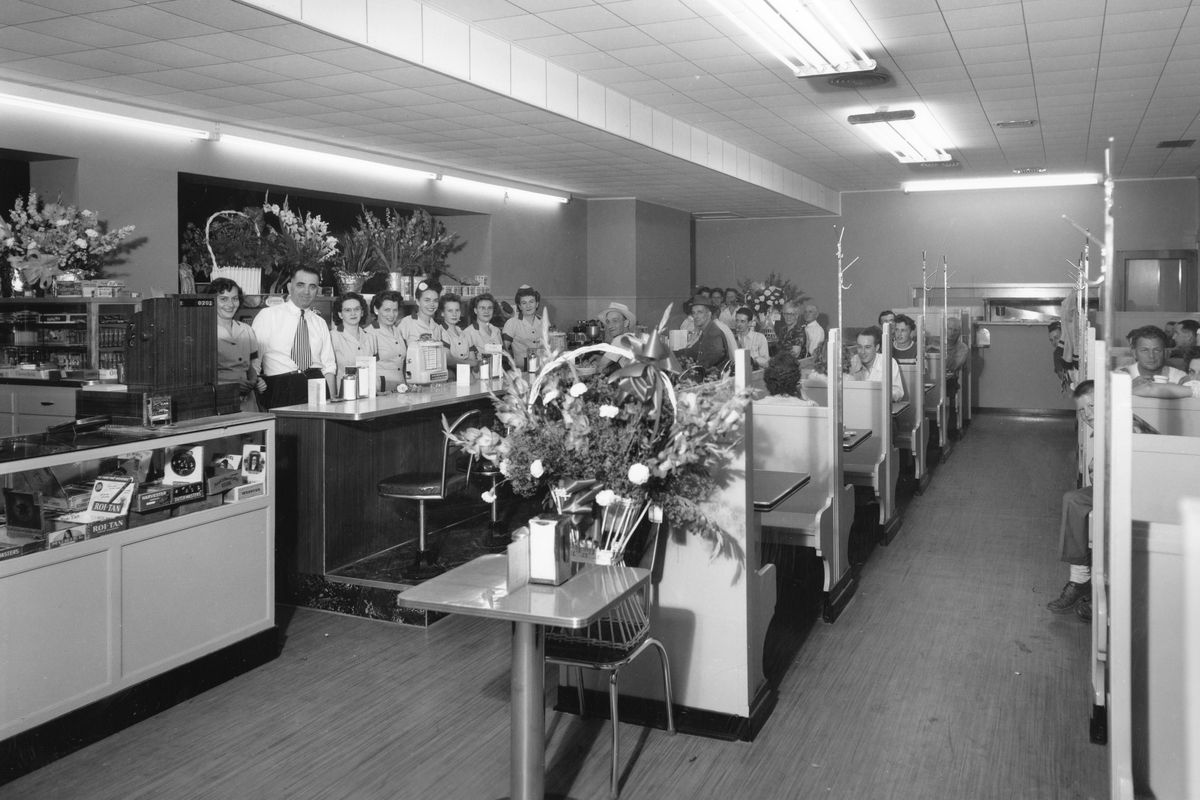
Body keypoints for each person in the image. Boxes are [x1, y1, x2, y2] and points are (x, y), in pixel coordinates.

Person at [1049, 380, 1157, 619]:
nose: (1087, 415)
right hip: (1119, 489)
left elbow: (1143, 476)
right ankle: (1080, 580)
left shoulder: (1129, 428)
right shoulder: (1107, 426)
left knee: (1103, 522)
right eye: (1082, 410)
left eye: (1093, 406)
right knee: (1074, 500)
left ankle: (1105, 595)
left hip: (1145, 494)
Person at [251, 265, 336, 409]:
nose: (306, 292)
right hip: (281, 387)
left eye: (312, 286)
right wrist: (256, 381)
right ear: (290, 287)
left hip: (317, 384)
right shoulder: (268, 316)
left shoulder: (320, 322)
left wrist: (333, 402)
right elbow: (254, 361)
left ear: (317, 291)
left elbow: (328, 366)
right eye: (301, 285)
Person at [211, 277, 260, 413]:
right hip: (220, 402)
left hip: (248, 402)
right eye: (223, 299)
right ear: (212, 301)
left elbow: (252, 365)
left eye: (235, 298)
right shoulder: (205, 332)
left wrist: (253, 381)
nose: (230, 304)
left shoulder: (247, 330)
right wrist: (232, 386)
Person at [330, 292, 378, 387]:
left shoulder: (371, 337)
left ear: (362, 312)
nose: (353, 313)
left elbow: (374, 369)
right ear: (340, 314)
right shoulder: (332, 337)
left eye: (357, 309)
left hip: (368, 391)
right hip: (343, 392)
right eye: (347, 310)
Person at [674, 293, 728, 372]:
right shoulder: (705, 332)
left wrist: (697, 367)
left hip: (713, 379)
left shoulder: (713, 333)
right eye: (694, 313)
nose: (696, 316)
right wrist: (670, 354)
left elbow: (716, 355)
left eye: (700, 312)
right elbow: (692, 351)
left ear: (709, 314)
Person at [1119, 325, 1186, 387]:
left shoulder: (1179, 378)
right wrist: (1128, 387)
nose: (1151, 356)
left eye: (1157, 350)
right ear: (1134, 353)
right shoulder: (1121, 376)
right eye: (1144, 350)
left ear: (1166, 353)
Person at [848, 325, 904, 400]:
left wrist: (877, 394)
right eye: (859, 347)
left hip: (880, 407)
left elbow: (898, 392)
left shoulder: (888, 362)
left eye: (867, 347)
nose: (862, 352)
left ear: (877, 347)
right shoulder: (853, 361)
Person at [368, 290, 406, 390]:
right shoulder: (369, 334)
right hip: (380, 392)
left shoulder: (398, 331)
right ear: (376, 310)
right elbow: (364, 371)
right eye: (387, 310)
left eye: (395, 310)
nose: (392, 315)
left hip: (402, 389)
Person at [503, 285, 544, 367]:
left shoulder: (543, 321)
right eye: (524, 303)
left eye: (531, 302)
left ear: (537, 304)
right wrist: (511, 365)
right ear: (519, 306)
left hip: (542, 367)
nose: (528, 306)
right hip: (522, 370)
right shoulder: (512, 323)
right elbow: (503, 348)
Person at [464, 292, 504, 369]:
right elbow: (469, 363)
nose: (486, 311)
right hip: (479, 377)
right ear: (475, 310)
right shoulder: (468, 333)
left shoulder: (496, 331)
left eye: (489, 308)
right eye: (482, 308)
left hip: (497, 375)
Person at [438, 293, 473, 367]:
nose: (454, 314)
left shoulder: (464, 333)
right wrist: (470, 363)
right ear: (442, 313)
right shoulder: (440, 331)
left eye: (457, 310)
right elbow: (448, 360)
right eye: (450, 311)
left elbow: (472, 358)